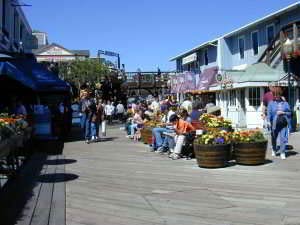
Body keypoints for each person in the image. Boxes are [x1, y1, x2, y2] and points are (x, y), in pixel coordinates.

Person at [267, 94, 291, 159]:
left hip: (283, 123)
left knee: (283, 138)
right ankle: (274, 149)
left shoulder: (285, 103)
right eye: (275, 95)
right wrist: (268, 121)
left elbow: (289, 113)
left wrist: (283, 112)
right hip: (274, 124)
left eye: (278, 95)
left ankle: (282, 152)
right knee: (274, 137)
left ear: (280, 95)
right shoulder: (271, 103)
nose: (276, 96)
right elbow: (269, 113)